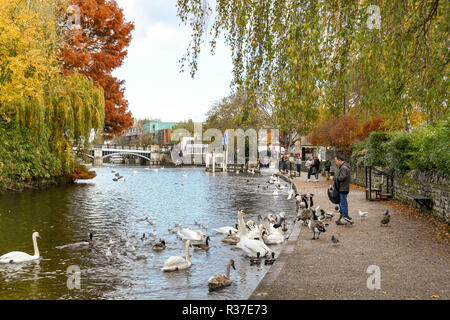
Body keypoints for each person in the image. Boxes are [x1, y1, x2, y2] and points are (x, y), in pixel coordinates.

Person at [334, 154, 353, 225]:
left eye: (336, 160)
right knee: (342, 203)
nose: (336, 162)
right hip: (343, 187)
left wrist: (335, 178)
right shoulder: (344, 166)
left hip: (343, 188)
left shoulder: (344, 167)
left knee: (343, 203)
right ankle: (344, 217)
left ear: (339, 160)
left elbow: (342, 177)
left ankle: (345, 217)